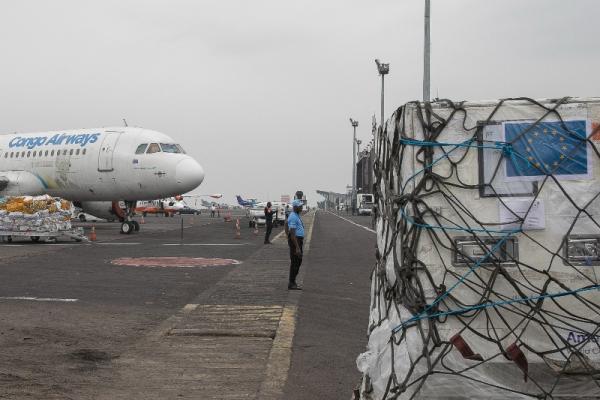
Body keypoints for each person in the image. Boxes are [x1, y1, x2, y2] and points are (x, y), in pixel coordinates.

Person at [286, 199, 305, 290]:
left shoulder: (295, 215)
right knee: (295, 262)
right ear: (295, 207)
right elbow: (292, 233)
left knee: (298, 261)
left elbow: (286, 224)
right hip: (295, 241)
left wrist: (287, 236)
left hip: (297, 240)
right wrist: (297, 247)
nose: (301, 207)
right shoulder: (293, 216)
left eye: (301, 205)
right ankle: (291, 283)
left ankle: (293, 282)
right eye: (300, 206)